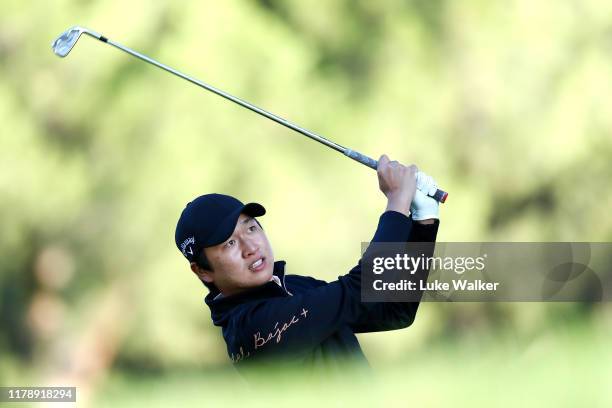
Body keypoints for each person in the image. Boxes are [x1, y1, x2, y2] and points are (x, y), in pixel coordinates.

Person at [174, 154, 440, 377]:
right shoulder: (250, 328)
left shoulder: (296, 287)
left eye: (251, 228)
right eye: (229, 244)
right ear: (203, 271)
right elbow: (358, 291)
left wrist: (423, 221)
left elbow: (393, 311)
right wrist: (396, 203)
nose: (251, 247)